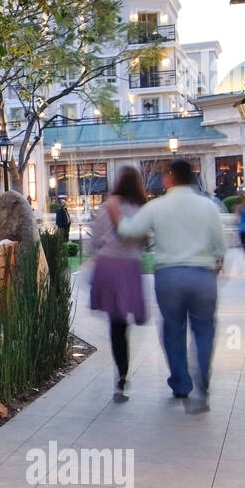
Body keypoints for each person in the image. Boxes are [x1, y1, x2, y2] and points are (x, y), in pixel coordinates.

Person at [118, 159, 226, 414]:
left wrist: (116, 215)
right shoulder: (208, 207)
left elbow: (129, 231)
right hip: (202, 275)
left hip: (169, 276)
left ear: (171, 177)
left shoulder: (157, 206)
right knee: (204, 330)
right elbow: (220, 246)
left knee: (173, 330)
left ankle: (181, 382)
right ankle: (203, 380)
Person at [89, 167, 149, 401]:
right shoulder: (141, 208)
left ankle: (121, 377)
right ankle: (122, 375)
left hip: (108, 265)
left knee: (116, 325)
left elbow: (94, 240)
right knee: (124, 323)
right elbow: (143, 240)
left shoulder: (107, 206)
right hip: (130, 267)